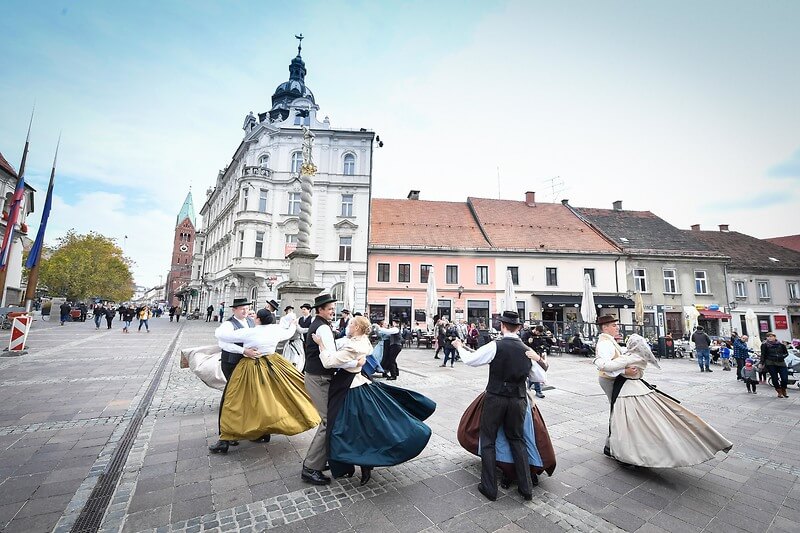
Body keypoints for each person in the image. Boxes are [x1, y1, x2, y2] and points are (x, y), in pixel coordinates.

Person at [312, 316, 435, 486]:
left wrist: (322, 345)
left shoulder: (353, 345)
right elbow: (348, 349)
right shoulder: (362, 341)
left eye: (352, 324)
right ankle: (360, 463)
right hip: (359, 383)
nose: (349, 325)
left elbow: (328, 362)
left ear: (357, 328)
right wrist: (355, 360)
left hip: (349, 388)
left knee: (347, 428)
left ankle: (357, 462)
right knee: (365, 428)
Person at [595, 333, 732, 467]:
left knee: (624, 423)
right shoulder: (641, 357)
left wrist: (597, 360)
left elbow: (608, 366)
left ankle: (625, 452)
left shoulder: (629, 358)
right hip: (640, 389)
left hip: (627, 392)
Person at [451, 310, 534, 502]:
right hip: (519, 399)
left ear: (503, 326)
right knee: (517, 440)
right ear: (519, 327)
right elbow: (539, 377)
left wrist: (459, 347)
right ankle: (526, 488)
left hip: (496, 397)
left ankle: (489, 488)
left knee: (488, 440)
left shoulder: (496, 345)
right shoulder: (527, 350)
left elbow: (471, 361)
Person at [213, 308, 320, 445]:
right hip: (273, 364)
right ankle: (264, 431)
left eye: (255, 317)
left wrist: (241, 348)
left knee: (236, 399)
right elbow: (289, 332)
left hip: (251, 366)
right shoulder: (275, 330)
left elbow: (221, 336)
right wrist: (292, 323)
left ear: (258, 319)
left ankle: (229, 435)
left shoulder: (249, 332)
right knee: (273, 396)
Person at [208, 298, 260, 454]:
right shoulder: (228, 325)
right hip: (232, 362)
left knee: (248, 397)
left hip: (248, 363)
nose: (244, 311)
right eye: (241, 309)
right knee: (231, 397)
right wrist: (244, 351)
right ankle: (225, 437)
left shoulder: (251, 322)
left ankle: (247, 430)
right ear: (234, 310)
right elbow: (223, 344)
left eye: (246, 308)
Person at [301, 293, 338, 485]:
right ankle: (310, 467)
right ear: (320, 310)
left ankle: (320, 459)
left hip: (317, 376)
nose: (333, 311)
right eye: (330, 309)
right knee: (327, 421)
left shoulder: (321, 325)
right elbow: (330, 358)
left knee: (328, 420)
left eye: (333, 308)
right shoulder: (322, 327)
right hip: (319, 378)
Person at [593, 315, 640, 458]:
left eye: (616, 325)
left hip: (613, 379)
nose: (617, 327)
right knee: (617, 411)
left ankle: (611, 444)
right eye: (614, 325)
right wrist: (624, 370)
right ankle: (611, 445)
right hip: (610, 380)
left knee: (618, 411)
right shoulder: (604, 343)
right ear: (605, 327)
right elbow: (606, 366)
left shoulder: (609, 341)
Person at [761, 332, 789, 398]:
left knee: (785, 378)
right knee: (774, 378)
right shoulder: (764, 345)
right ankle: (779, 391)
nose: (770, 338)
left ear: (775, 337)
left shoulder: (781, 344)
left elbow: (786, 353)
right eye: (768, 336)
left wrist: (782, 357)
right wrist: (761, 363)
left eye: (771, 336)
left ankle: (783, 389)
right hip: (770, 363)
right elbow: (763, 355)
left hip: (781, 362)